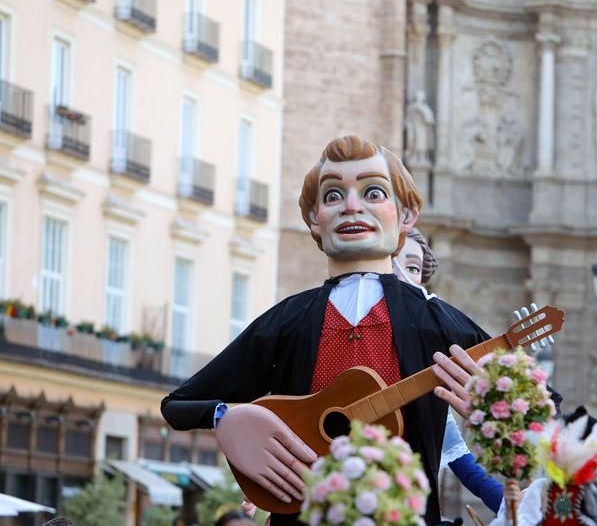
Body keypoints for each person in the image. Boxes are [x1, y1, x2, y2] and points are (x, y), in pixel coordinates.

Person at [161, 135, 507, 525]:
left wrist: (490, 408)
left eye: (373, 192)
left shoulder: (432, 319)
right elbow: (178, 404)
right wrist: (225, 417)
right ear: (314, 218)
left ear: (405, 214)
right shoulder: (290, 320)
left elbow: (536, 399)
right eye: (332, 196)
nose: (352, 206)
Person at [393, 228, 504, 513]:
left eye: (413, 268)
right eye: (391, 260)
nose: (399, 273)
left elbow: (466, 468)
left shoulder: (426, 367)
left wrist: (516, 502)